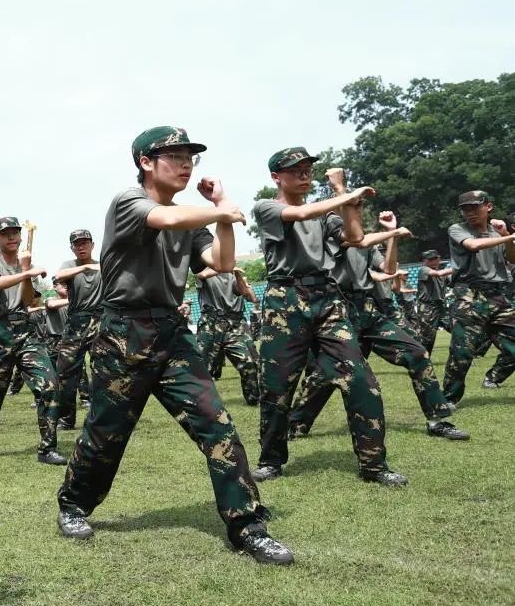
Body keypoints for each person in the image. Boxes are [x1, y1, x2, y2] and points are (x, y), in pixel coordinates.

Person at [55, 126, 291, 565]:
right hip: (125, 334)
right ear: (146, 162)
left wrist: (222, 212)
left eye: (191, 157)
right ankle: (73, 504)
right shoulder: (129, 203)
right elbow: (164, 218)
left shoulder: (190, 218)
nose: (186, 164)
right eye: (175, 156)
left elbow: (221, 262)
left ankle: (248, 525)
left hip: (172, 332)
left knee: (217, 426)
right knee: (106, 434)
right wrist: (216, 208)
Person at [250, 153, 404, 487]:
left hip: (327, 299)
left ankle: (374, 465)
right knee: (277, 387)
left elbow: (355, 238)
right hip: (286, 301)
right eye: (295, 172)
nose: (304, 176)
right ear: (277, 177)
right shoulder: (267, 207)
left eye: (307, 171)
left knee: (361, 380)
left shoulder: (326, 213)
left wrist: (341, 191)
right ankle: (271, 460)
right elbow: (302, 212)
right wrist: (343, 196)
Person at [287, 213, 468, 441]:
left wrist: (391, 238)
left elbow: (389, 269)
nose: (355, 214)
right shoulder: (329, 240)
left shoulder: (368, 244)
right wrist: (391, 232)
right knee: (324, 373)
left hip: (368, 310)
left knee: (417, 353)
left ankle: (437, 420)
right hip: (338, 312)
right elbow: (355, 240)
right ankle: (295, 424)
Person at [0, 217, 64, 465]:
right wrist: (25, 271)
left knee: (49, 385)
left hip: (26, 330)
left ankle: (47, 448)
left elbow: (30, 302)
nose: (12, 237)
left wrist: (26, 272)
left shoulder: (26, 264)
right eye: (5, 234)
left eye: (15, 232)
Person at [441, 191, 515, 403]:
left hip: (498, 295)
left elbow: (512, 258)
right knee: (462, 353)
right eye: (465, 209)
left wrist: (505, 236)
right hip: (469, 296)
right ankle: (448, 399)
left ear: (488, 207)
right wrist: (510, 236)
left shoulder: (497, 232)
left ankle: (493, 377)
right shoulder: (457, 229)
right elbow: (472, 245)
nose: (470, 212)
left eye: (475, 207)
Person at [52, 229, 102, 427]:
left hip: (100, 319)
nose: (81, 246)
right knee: (65, 373)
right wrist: (85, 268)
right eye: (77, 244)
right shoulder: (69, 266)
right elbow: (58, 277)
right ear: (72, 248)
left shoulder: (103, 265)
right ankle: (66, 418)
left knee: (103, 371)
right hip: (76, 322)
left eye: (85, 243)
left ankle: (101, 417)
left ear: (92, 244)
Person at [194, 267, 260, 405]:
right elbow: (200, 276)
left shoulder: (234, 276)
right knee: (203, 367)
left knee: (249, 363)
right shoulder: (205, 273)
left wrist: (237, 274)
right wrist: (223, 266)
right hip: (211, 324)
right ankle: (199, 403)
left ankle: (254, 399)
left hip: (235, 324)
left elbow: (246, 294)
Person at [414, 249, 452, 356]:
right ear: (424, 261)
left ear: (439, 259)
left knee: (456, 329)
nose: (433, 261)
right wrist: (458, 268)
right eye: (430, 259)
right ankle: (423, 359)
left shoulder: (443, 273)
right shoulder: (424, 269)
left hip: (441, 307)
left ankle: (461, 356)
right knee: (427, 337)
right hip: (427, 308)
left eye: (435, 259)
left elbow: (452, 280)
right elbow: (438, 273)